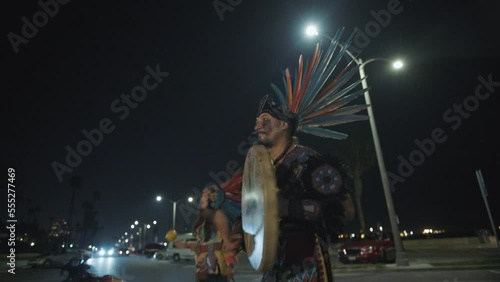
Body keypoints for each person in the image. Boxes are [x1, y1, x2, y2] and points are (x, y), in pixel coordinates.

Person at [251, 30, 367, 282]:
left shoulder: (308, 160)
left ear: (284, 125)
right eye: (257, 121)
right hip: (273, 263)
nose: (257, 126)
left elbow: (345, 211)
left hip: (305, 262)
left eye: (265, 120)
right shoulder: (261, 166)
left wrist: (286, 207)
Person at [192, 172, 243, 282]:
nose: (201, 199)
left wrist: (229, 266)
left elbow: (226, 243)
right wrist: (184, 244)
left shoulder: (218, 215)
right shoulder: (201, 221)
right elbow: (199, 245)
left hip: (217, 269)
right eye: (202, 196)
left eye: (205, 196)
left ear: (213, 199)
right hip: (201, 269)